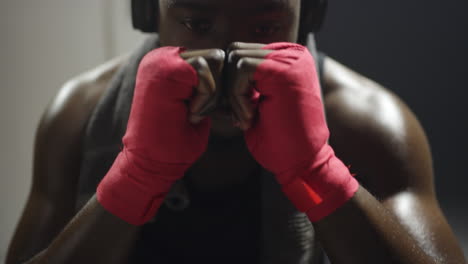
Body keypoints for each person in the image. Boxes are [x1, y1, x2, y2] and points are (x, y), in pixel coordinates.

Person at [6, 0, 466, 263]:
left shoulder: (368, 123)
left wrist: (318, 173)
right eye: (197, 23)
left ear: (306, 15)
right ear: (149, 11)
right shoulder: (82, 114)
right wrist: (136, 177)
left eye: (266, 25)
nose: (227, 57)